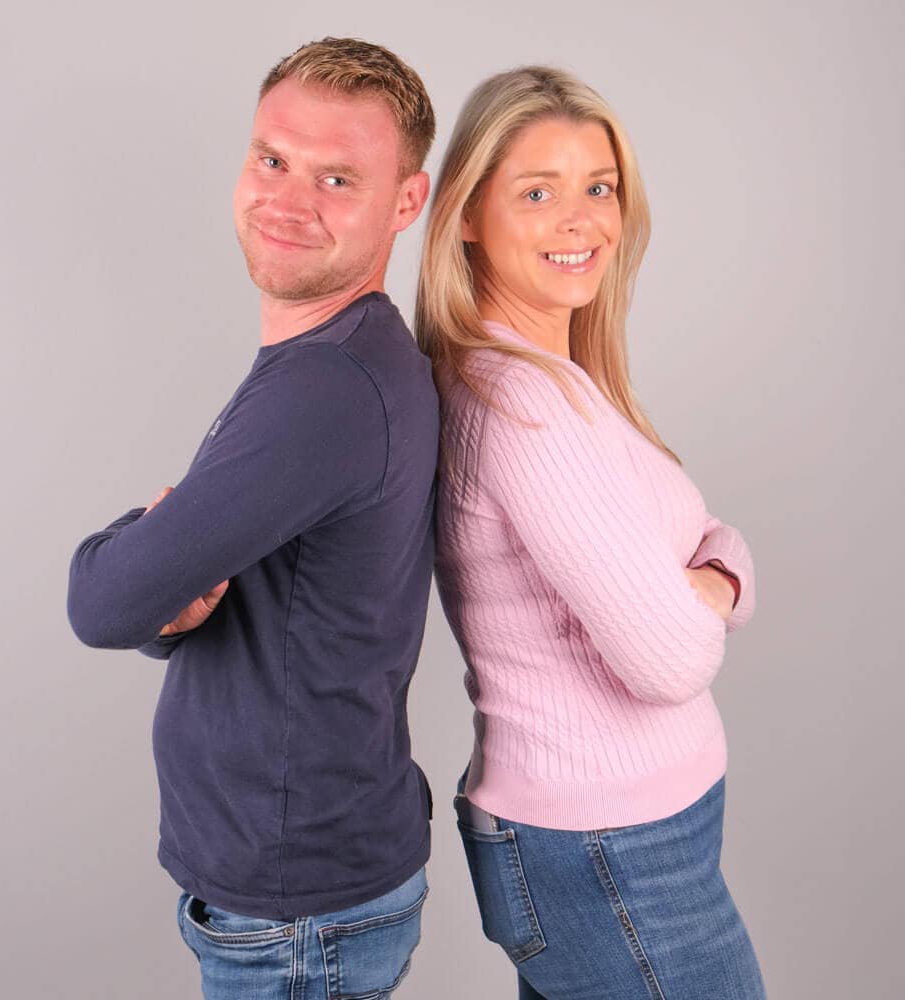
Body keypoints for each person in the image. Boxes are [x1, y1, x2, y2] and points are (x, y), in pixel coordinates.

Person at [67, 38, 437, 1000]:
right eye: (272, 159)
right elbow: (198, 595)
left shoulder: (328, 391)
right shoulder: (341, 356)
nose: (286, 199)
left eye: (337, 178)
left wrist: (134, 560)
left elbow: (102, 603)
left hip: (295, 911)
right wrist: (166, 590)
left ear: (406, 202)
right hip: (306, 883)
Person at [416, 66, 766, 999]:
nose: (583, 221)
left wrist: (711, 578)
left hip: (618, 843)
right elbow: (669, 660)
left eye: (598, 188)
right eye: (538, 192)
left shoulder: (553, 377)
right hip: (613, 850)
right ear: (469, 215)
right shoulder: (525, 403)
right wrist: (708, 588)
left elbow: (710, 539)